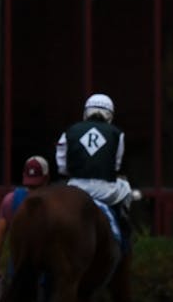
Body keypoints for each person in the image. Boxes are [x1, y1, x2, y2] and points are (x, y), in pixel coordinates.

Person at [55, 93, 137, 240]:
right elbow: (116, 166)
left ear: (86, 112)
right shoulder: (117, 133)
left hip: (75, 188)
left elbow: (61, 163)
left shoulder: (70, 130)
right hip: (105, 190)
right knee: (126, 188)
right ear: (110, 114)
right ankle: (122, 223)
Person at [0, 155, 50, 278]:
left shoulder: (10, 200)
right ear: (46, 178)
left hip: (17, 270)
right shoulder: (54, 202)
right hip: (44, 274)